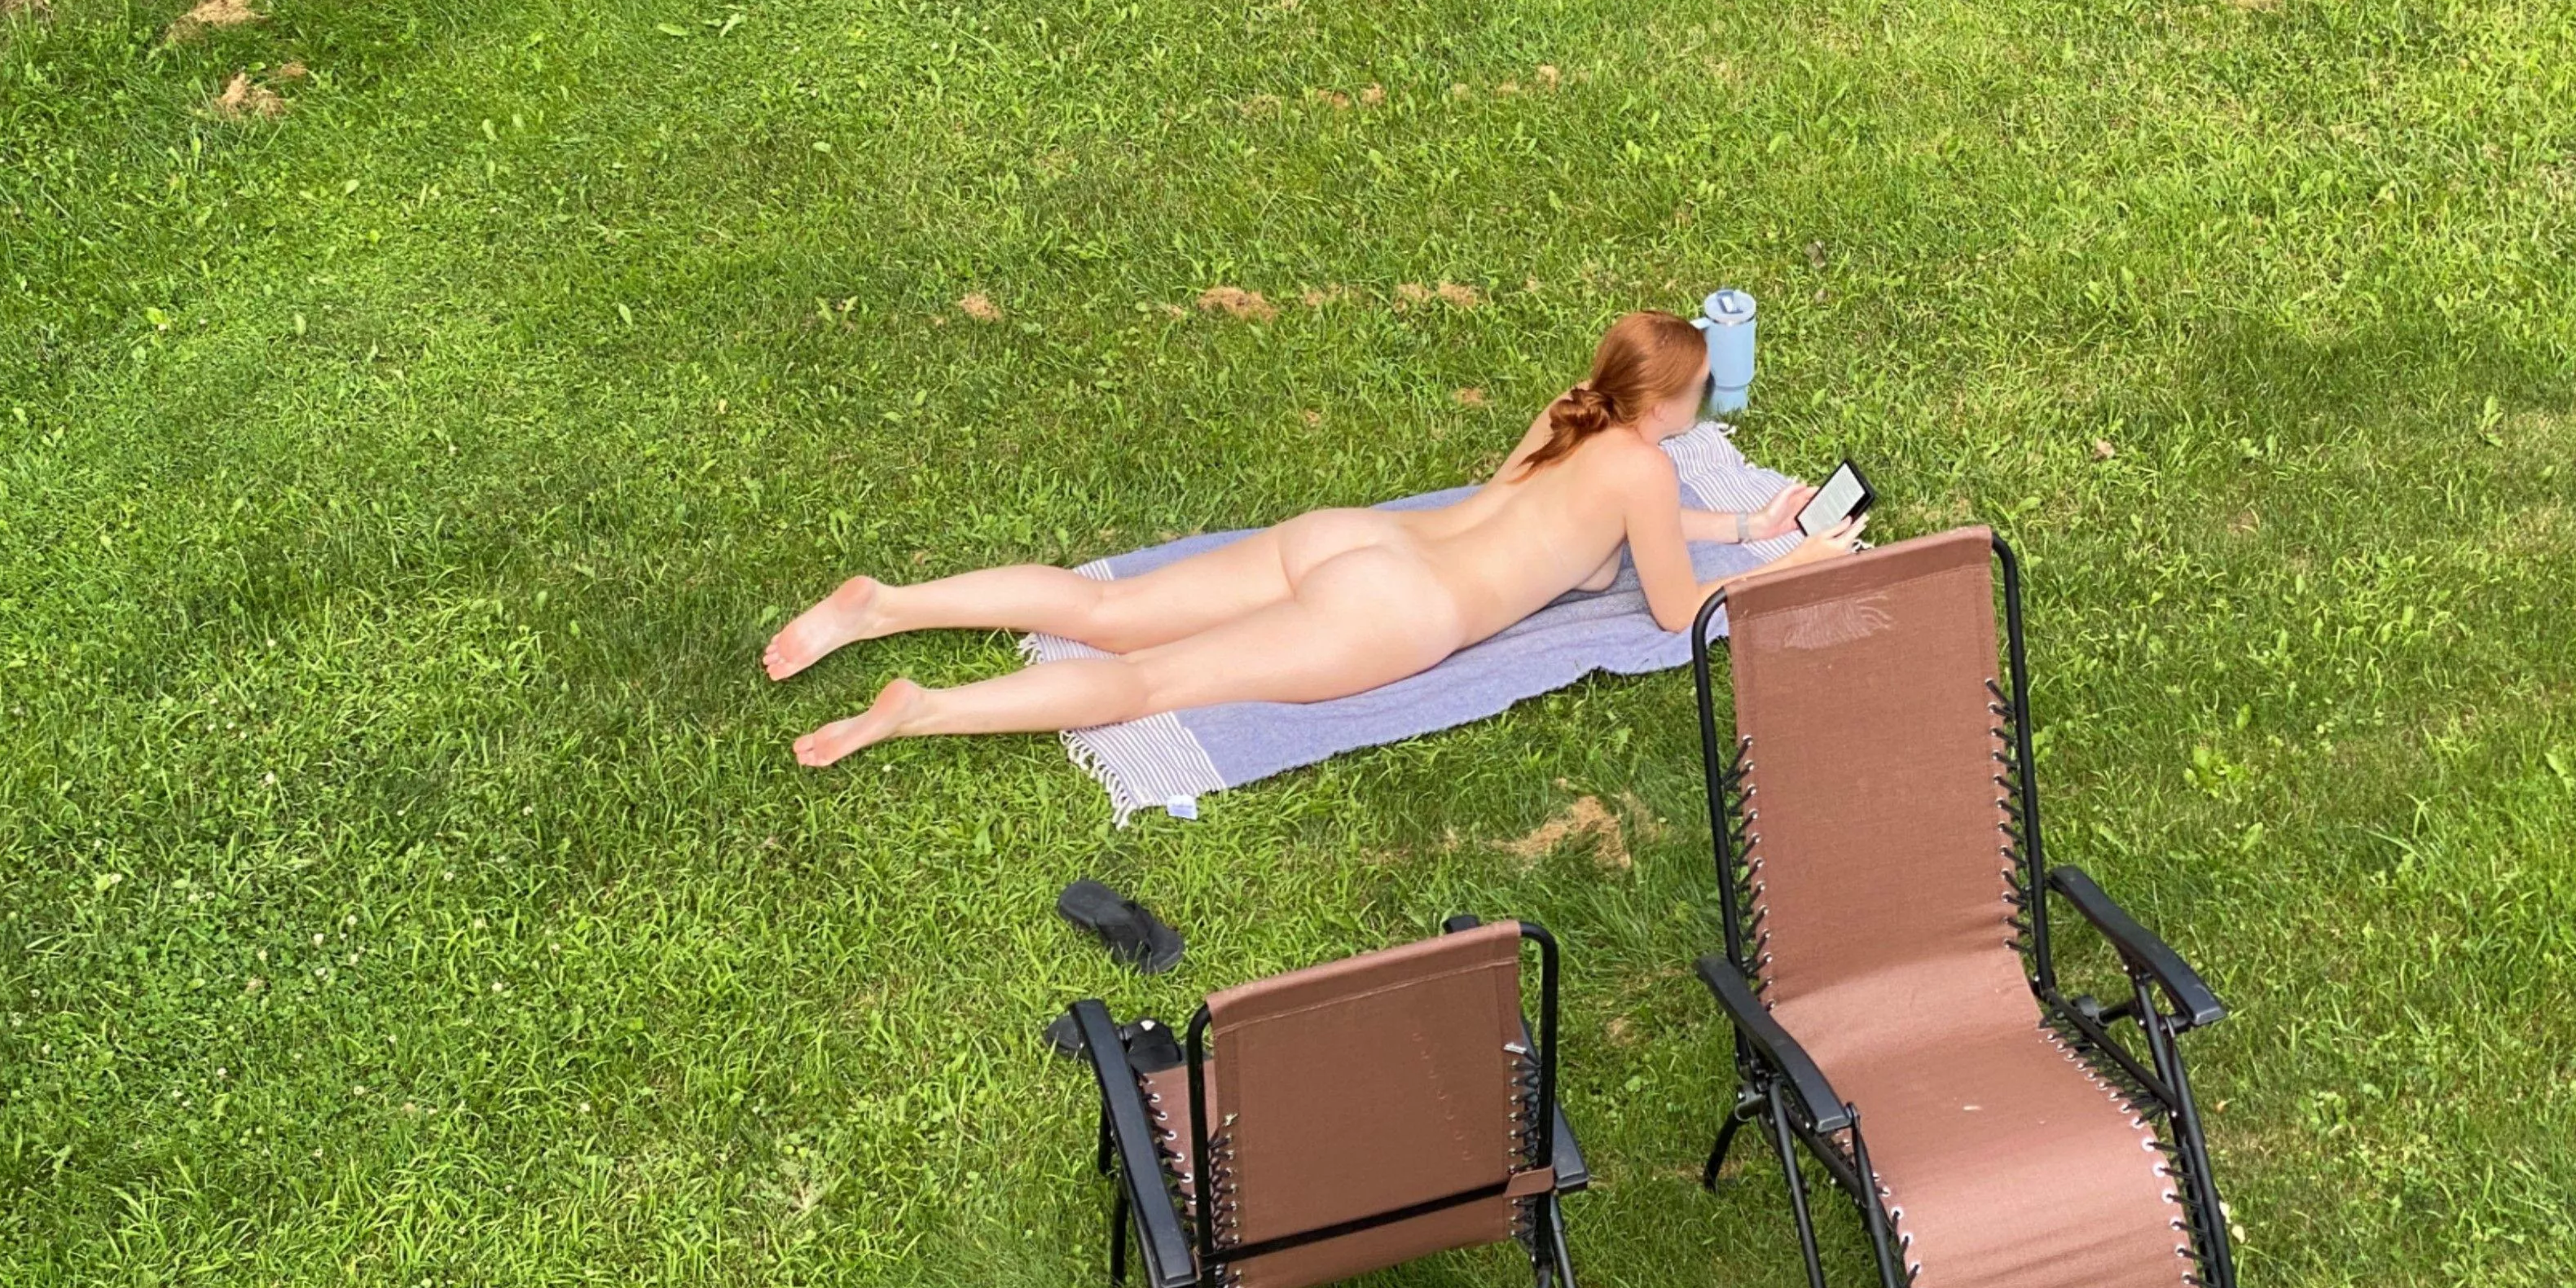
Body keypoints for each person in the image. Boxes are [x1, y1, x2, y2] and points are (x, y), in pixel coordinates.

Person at [769, 308, 1862, 765]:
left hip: (1361, 543)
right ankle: (924, 711)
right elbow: (1676, 611)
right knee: (1147, 682)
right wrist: (1800, 560)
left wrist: (1746, 521)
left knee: (1107, 609)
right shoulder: (1644, 468)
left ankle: (888, 605)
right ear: (1664, 405)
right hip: (1395, 611)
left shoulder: (1572, 413)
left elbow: (1606, 523)